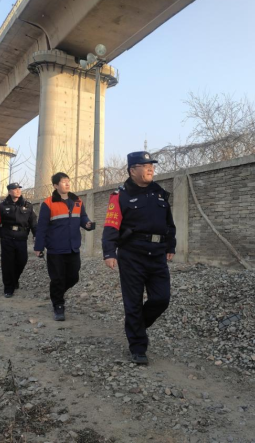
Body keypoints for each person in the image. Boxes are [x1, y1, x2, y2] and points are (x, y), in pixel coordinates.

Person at [102, 151, 176, 365]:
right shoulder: (120, 195)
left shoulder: (160, 193)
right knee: (133, 302)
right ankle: (138, 347)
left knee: (162, 298)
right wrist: (109, 252)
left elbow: (169, 223)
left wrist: (170, 244)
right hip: (132, 254)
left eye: (151, 165)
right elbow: (111, 224)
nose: (150, 168)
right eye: (145, 165)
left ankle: (137, 326)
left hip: (157, 253)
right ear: (132, 170)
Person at [34, 172, 93, 321]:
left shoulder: (77, 200)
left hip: (73, 247)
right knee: (57, 278)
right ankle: (58, 305)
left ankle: (56, 293)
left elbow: (82, 217)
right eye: (63, 181)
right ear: (55, 185)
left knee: (73, 277)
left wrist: (87, 224)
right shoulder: (48, 203)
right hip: (55, 248)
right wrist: (38, 247)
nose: (67, 183)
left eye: (68, 181)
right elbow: (42, 227)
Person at [0, 182, 37, 298]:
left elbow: (33, 223)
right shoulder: (2, 206)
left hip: (21, 237)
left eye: (19, 189)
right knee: (7, 263)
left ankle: (14, 279)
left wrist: (36, 236)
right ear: (10, 191)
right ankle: (8, 287)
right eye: (15, 189)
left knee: (22, 260)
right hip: (7, 237)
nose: (18, 191)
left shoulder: (28, 206)